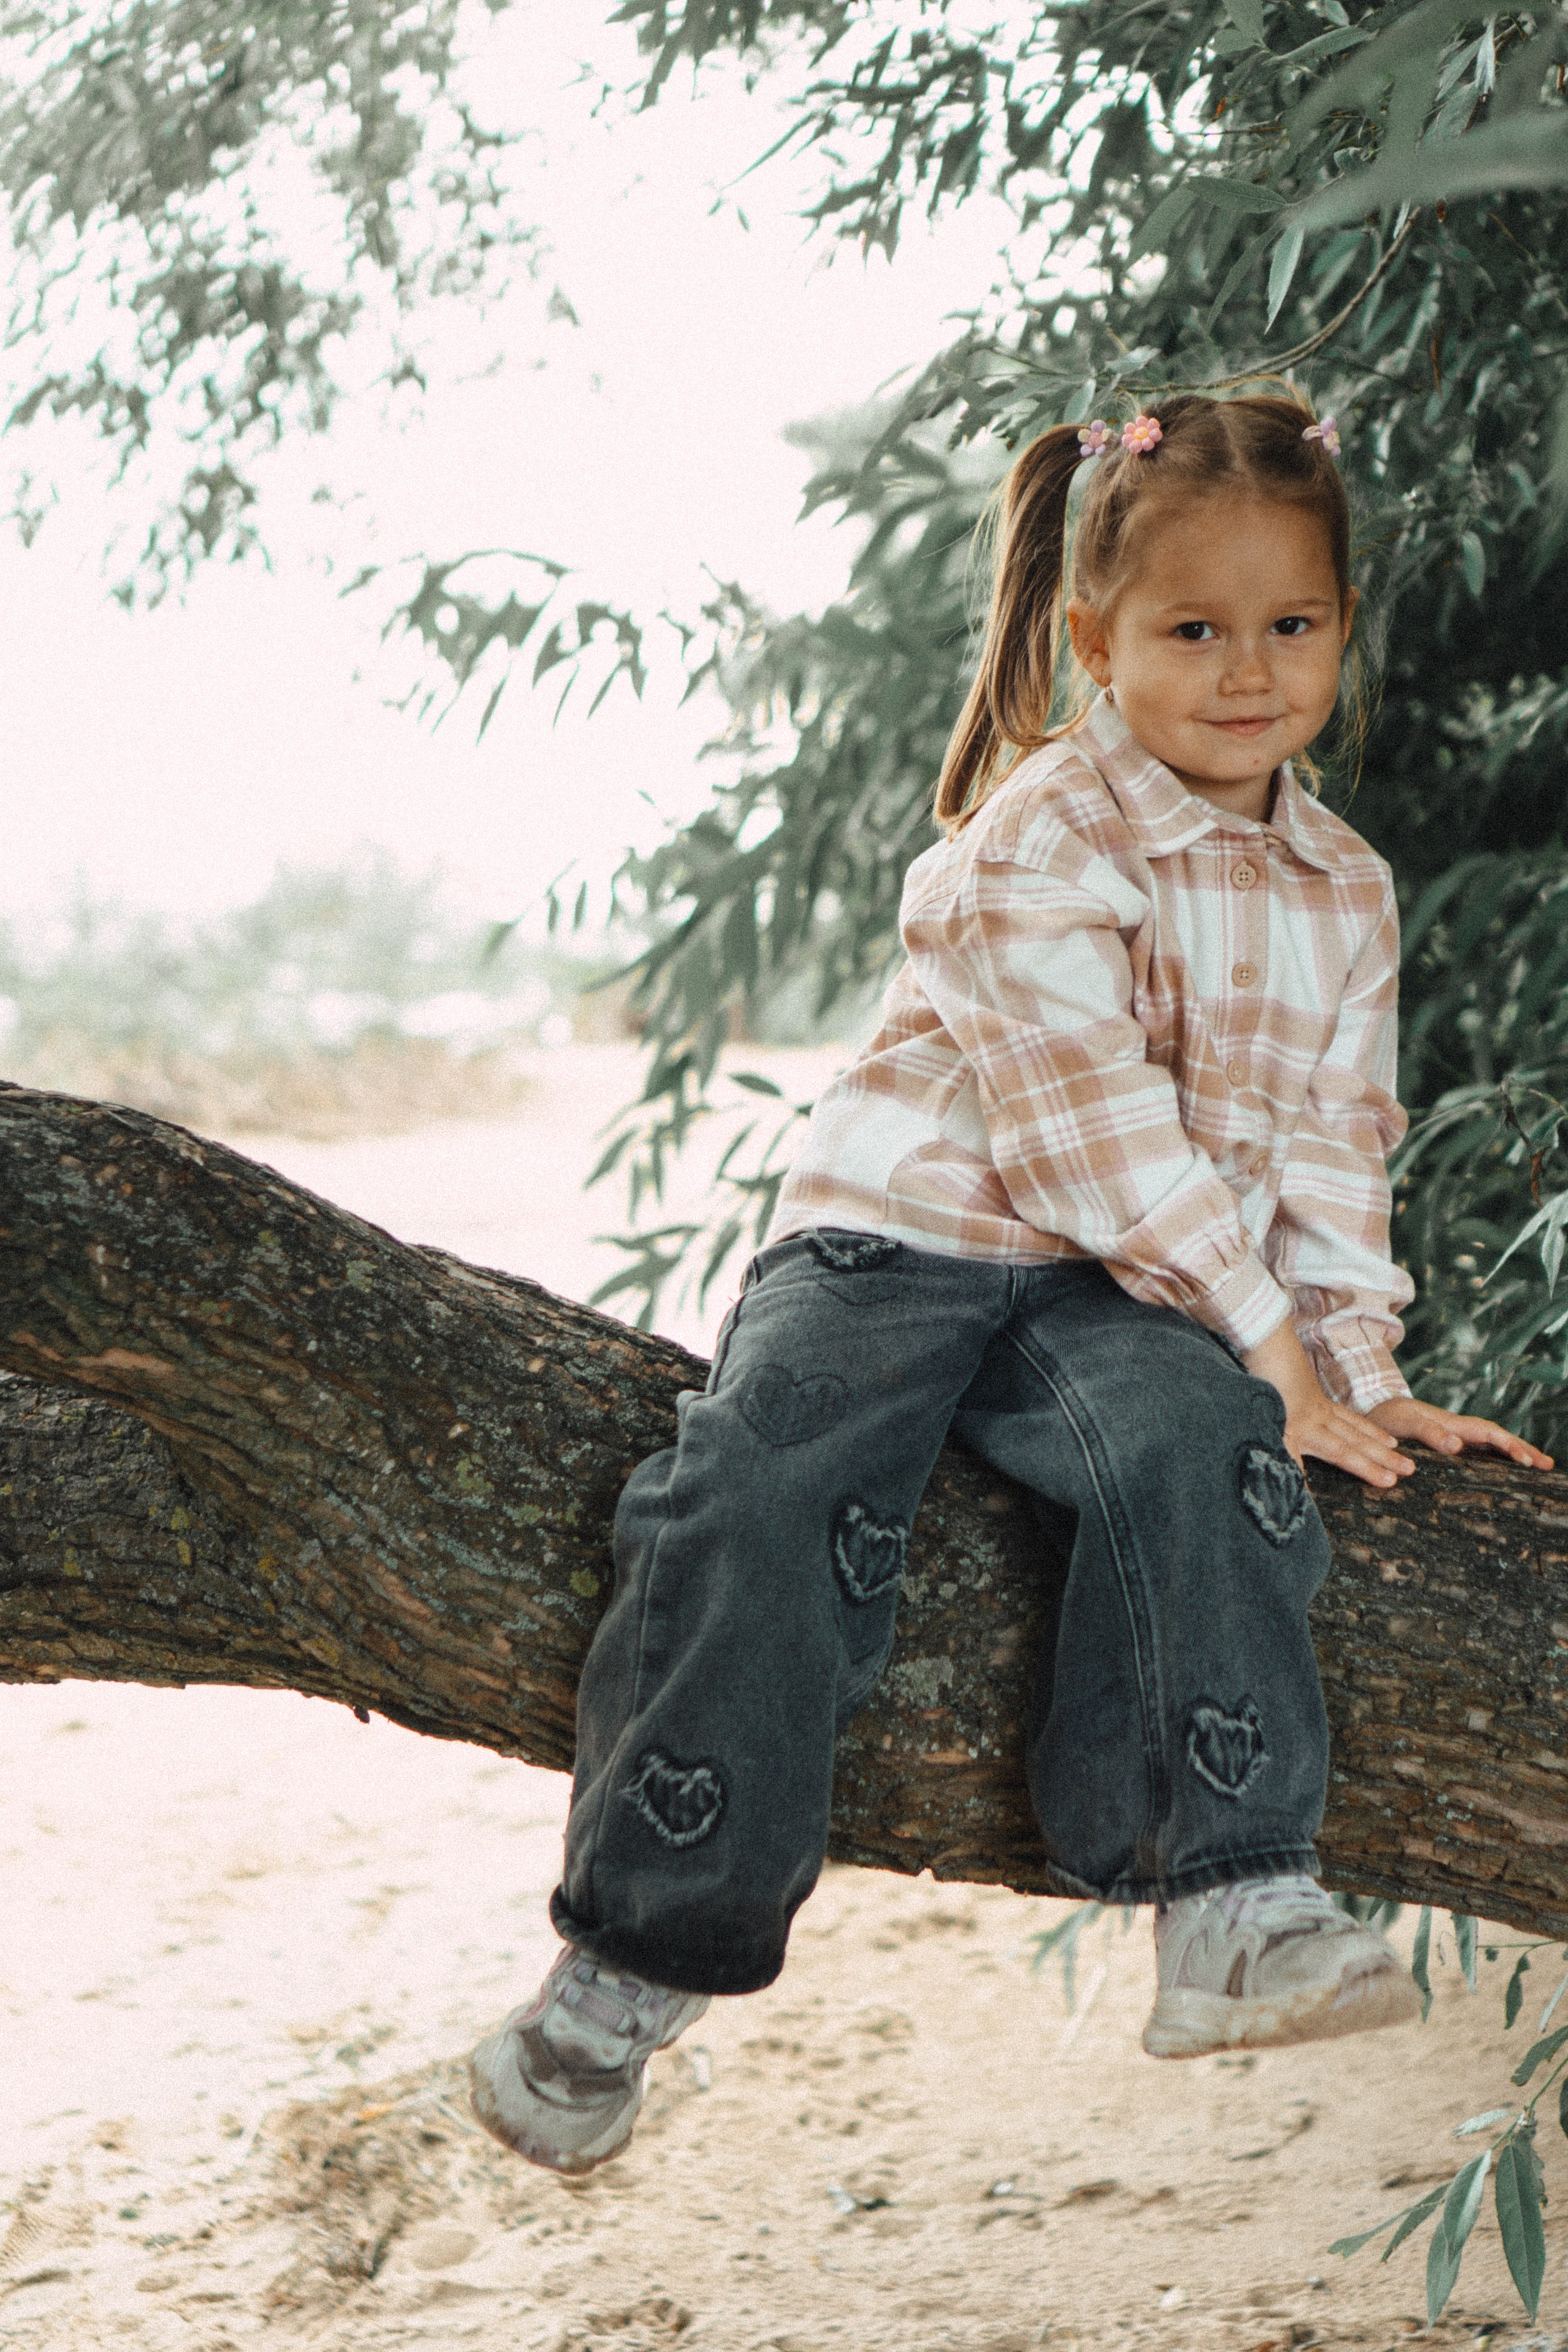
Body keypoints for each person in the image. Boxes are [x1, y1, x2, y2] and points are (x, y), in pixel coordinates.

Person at [469, 390, 1553, 2177]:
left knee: (1210, 1451)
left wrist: (1342, 1370)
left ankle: (1232, 1900)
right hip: (901, 1243)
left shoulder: (1344, 886)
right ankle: (623, 1973)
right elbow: (1094, 1140)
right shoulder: (1037, 837)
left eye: (1294, 625)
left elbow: (1336, 1149)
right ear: (1093, 641)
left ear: (1347, 631)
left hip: (1117, 1295)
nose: (1247, 670)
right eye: (1193, 630)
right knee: (762, 1484)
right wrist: (1273, 1340)